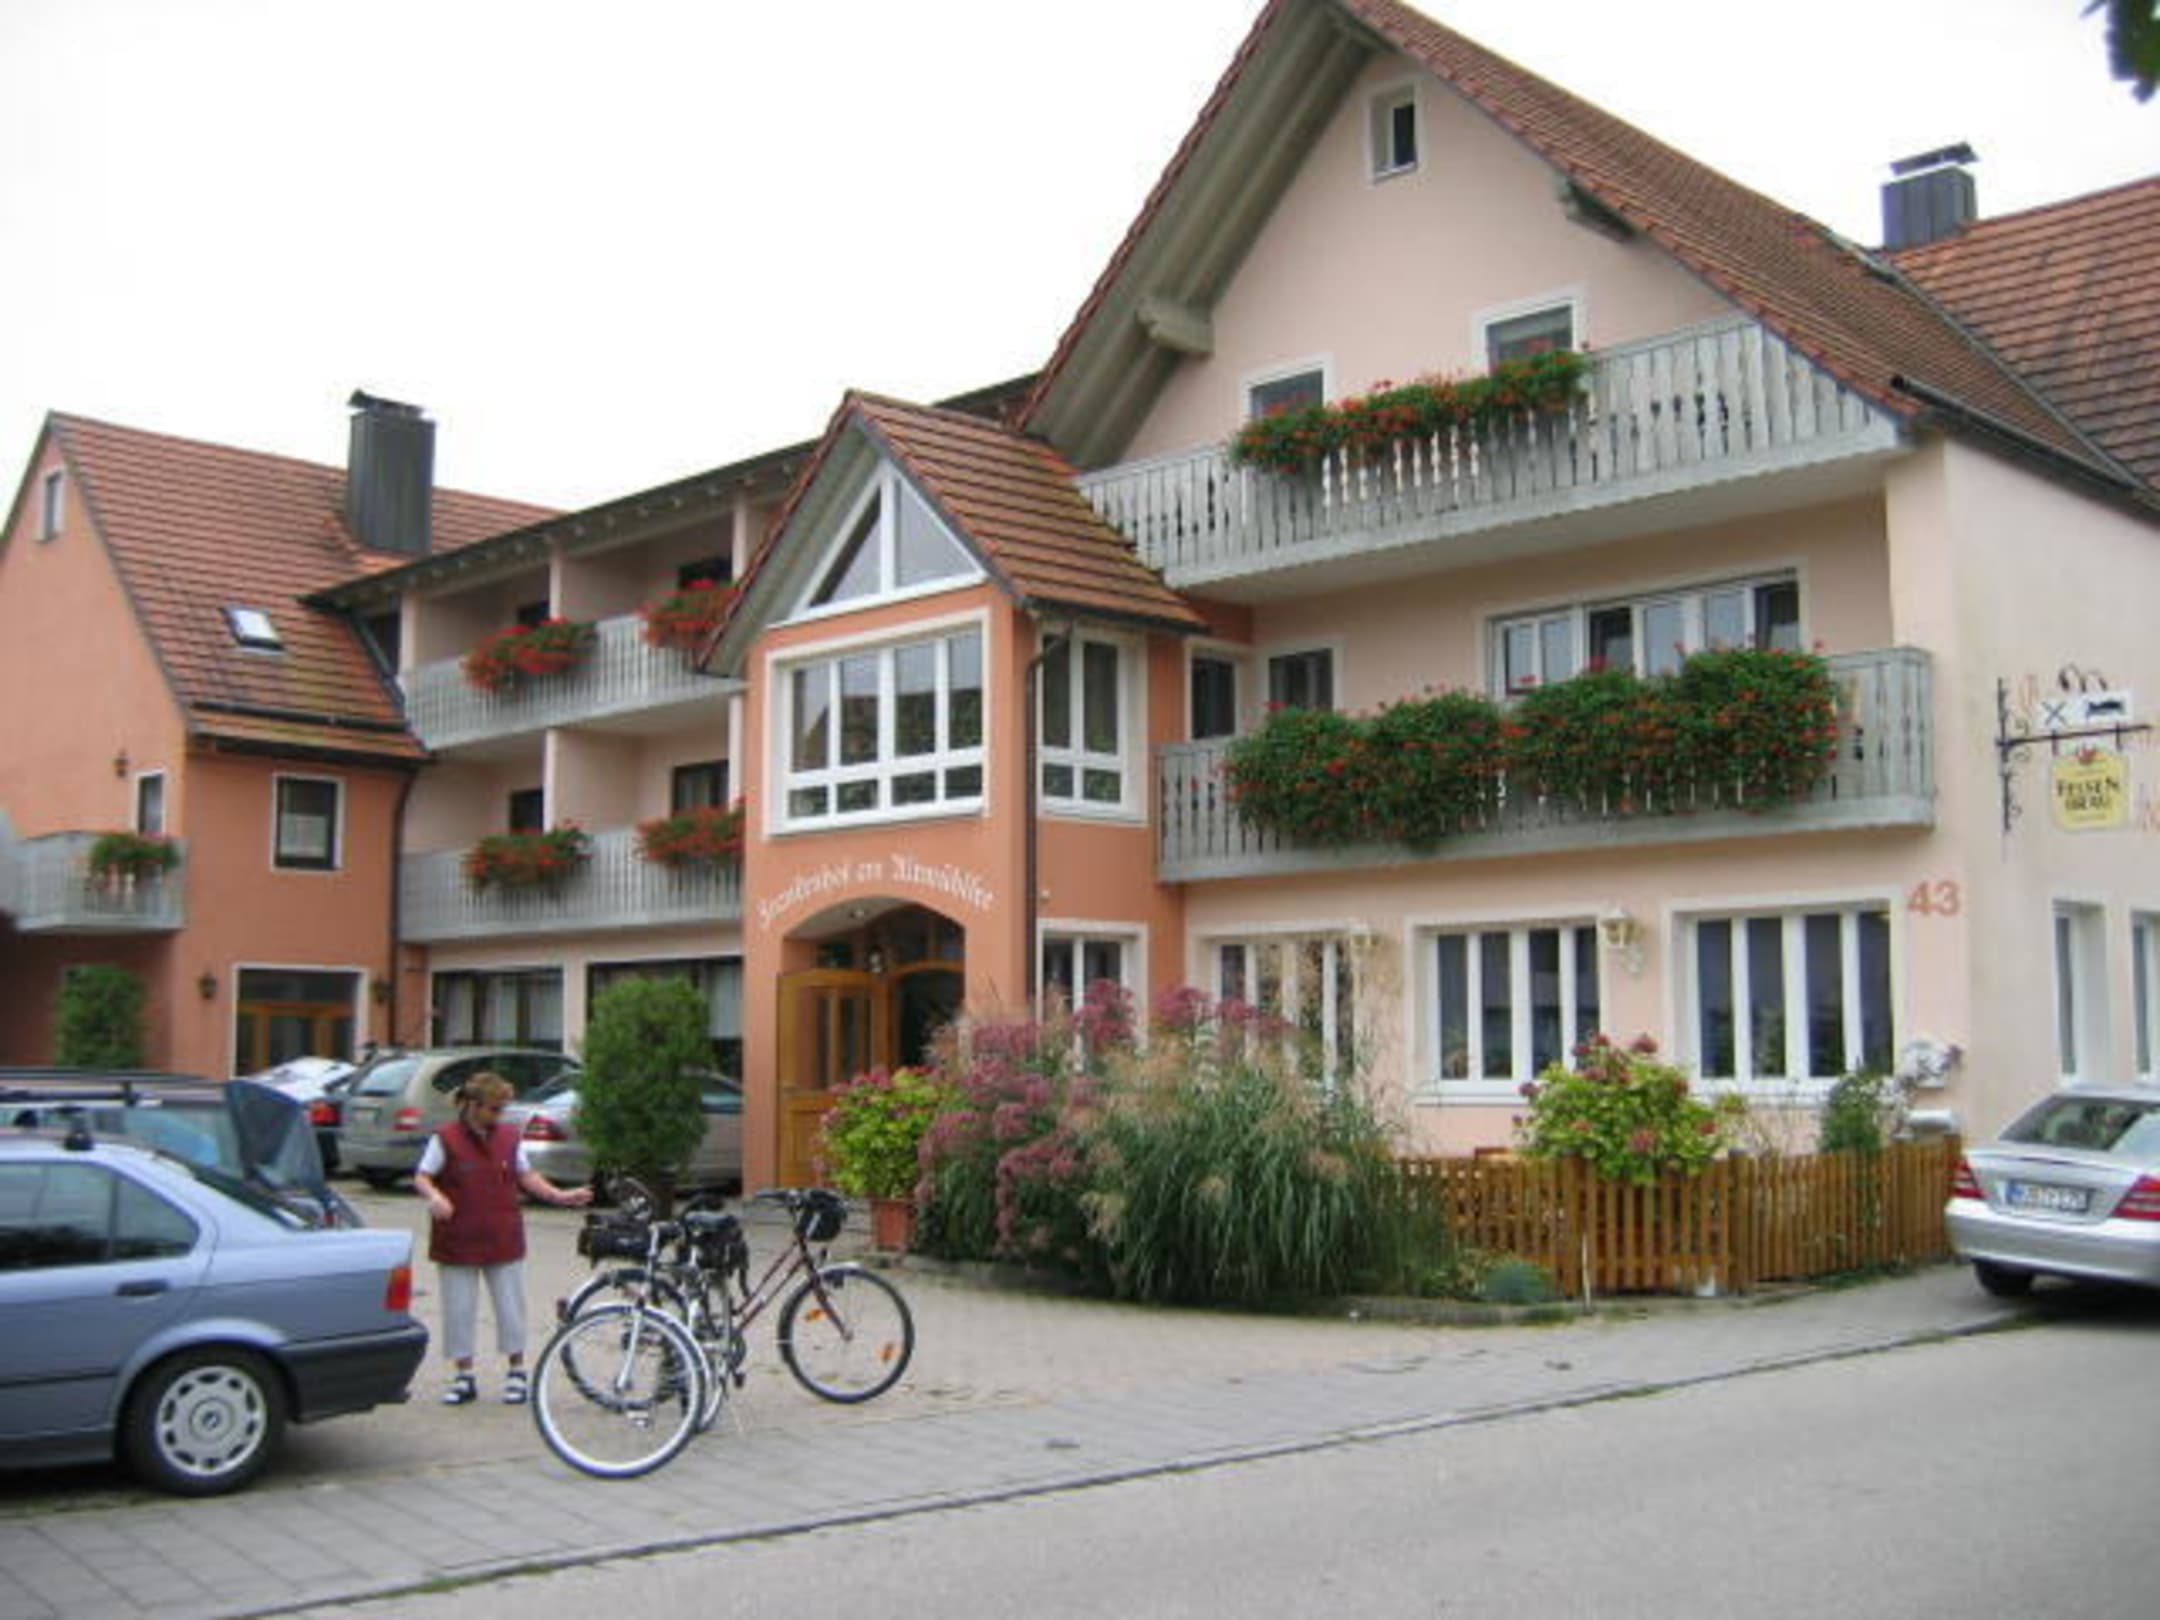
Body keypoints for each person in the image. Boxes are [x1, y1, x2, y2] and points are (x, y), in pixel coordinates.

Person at [413, 1071, 591, 1405]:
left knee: (511, 1308)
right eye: (494, 1109)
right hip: (457, 1239)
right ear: (473, 1106)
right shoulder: (445, 1138)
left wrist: (560, 1195)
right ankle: (464, 1376)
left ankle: (517, 1372)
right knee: (459, 1309)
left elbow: (527, 1175)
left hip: (502, 1235)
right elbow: (423, 1176)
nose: (500, 1115)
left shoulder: (509, 1136)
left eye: (503, 1109)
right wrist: (434, 1197)